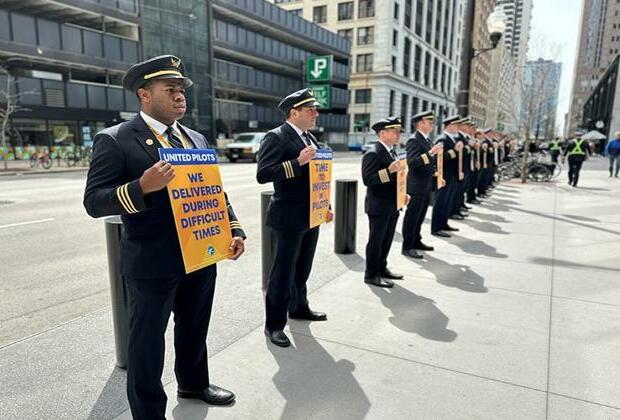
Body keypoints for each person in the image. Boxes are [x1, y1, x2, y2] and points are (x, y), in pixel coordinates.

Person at [83, 55, 246, 420]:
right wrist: (142, 186)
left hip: (199, 252)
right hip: (152, 260)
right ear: (143, 94)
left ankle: (193, 383)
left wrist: (232, 229)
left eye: (181, 90)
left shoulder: (195, 137)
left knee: (194, 326)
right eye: (169, 90)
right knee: (146, 343)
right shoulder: (116, 139)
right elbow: (93, 202)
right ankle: (148, 412)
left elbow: (212, 191)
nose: (179, 96)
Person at [257, 88, 331, 348]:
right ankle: (274, 325)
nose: (316, 113)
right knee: (282, 273)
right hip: (287, 217)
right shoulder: (276, 137)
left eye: (315, 109)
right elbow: (264, 173)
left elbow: (318, 177)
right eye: (311, 109)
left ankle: (299, 307)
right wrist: (297, 162)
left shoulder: (310, 138)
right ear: (294, 112)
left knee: (303, 268)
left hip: (310, 215)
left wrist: (325, 205)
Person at [361, 117, 409, 287]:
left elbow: (399, 178)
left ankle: (382, 267)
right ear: (382, 133)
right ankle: (371, 274)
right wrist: (388, 171)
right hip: (379, 205)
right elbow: (368, 179)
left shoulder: (392, 152)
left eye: (398, 131)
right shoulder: (373, 152)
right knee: (376, 241)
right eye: (394, 131)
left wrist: (403, 193)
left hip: (392, 204)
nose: (398, 134)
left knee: (387, 239)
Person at [401, 111, 443, 259]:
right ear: (420, 123)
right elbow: (412, 162)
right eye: (429, 121)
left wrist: (438, 175)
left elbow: (430, 163)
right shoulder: (414, 140)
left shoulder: (426, 139)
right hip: (416, 185)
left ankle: (416, 240)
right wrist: (431, 153)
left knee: (420, 216)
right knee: (412, 216)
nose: (432, 124)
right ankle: (407, 246)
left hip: (425, 184)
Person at [431, 115, 463, 238]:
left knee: (447, 201)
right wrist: (454, 151)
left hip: (452, 175)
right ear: (449, 126)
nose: (457, 128)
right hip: (444, 176)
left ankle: (443, 224)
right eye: (456, 125)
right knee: (440, 202)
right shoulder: (442, 139)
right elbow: (439, 158)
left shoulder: (451, 139)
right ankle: (436, 227)